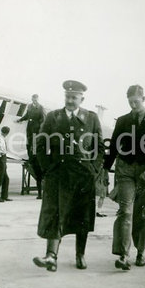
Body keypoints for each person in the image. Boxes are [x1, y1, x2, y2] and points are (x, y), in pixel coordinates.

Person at [33, 80, 105, 271]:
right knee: (55, 215)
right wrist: (47, 168)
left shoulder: (91, 118)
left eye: (74, 97)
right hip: (58, 174)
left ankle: (80, 255)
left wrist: (94, 170)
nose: (70, 100)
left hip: (83, 176)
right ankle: (51, 256)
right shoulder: (53, 117)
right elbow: (40, 145)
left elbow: (99, 148)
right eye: (68, 96)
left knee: (82, 218)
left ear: (82, 98)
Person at [104, 85, 145, 270]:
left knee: (143, 214)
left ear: (143, 99)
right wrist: (105, 169)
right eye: (130, 101)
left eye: (136, 101)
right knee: (125, 211)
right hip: (125, 170)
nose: (133, 105)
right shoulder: (123, 121)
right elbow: (113, 148)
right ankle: (123, 256)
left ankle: (140, 253)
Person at [16, 94, 45, 198]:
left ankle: (34, 157)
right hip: (30, 128)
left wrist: (40, 130)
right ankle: (31, 157)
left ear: (38, 99)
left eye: (36, 99)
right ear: (32, 99)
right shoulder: (29, 106)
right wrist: (20, 120)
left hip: (36, 129)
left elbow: (43, 119)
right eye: (33, 98)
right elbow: (27, 116)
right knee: (29, 143)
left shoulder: (41, 108)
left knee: (34, 143)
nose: (35, 100)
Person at [0, 126, 11, 202]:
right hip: (0, 158)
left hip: (3, 158)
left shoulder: (1, 138)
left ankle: (4, 196)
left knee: (5, 178)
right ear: (7, 133)